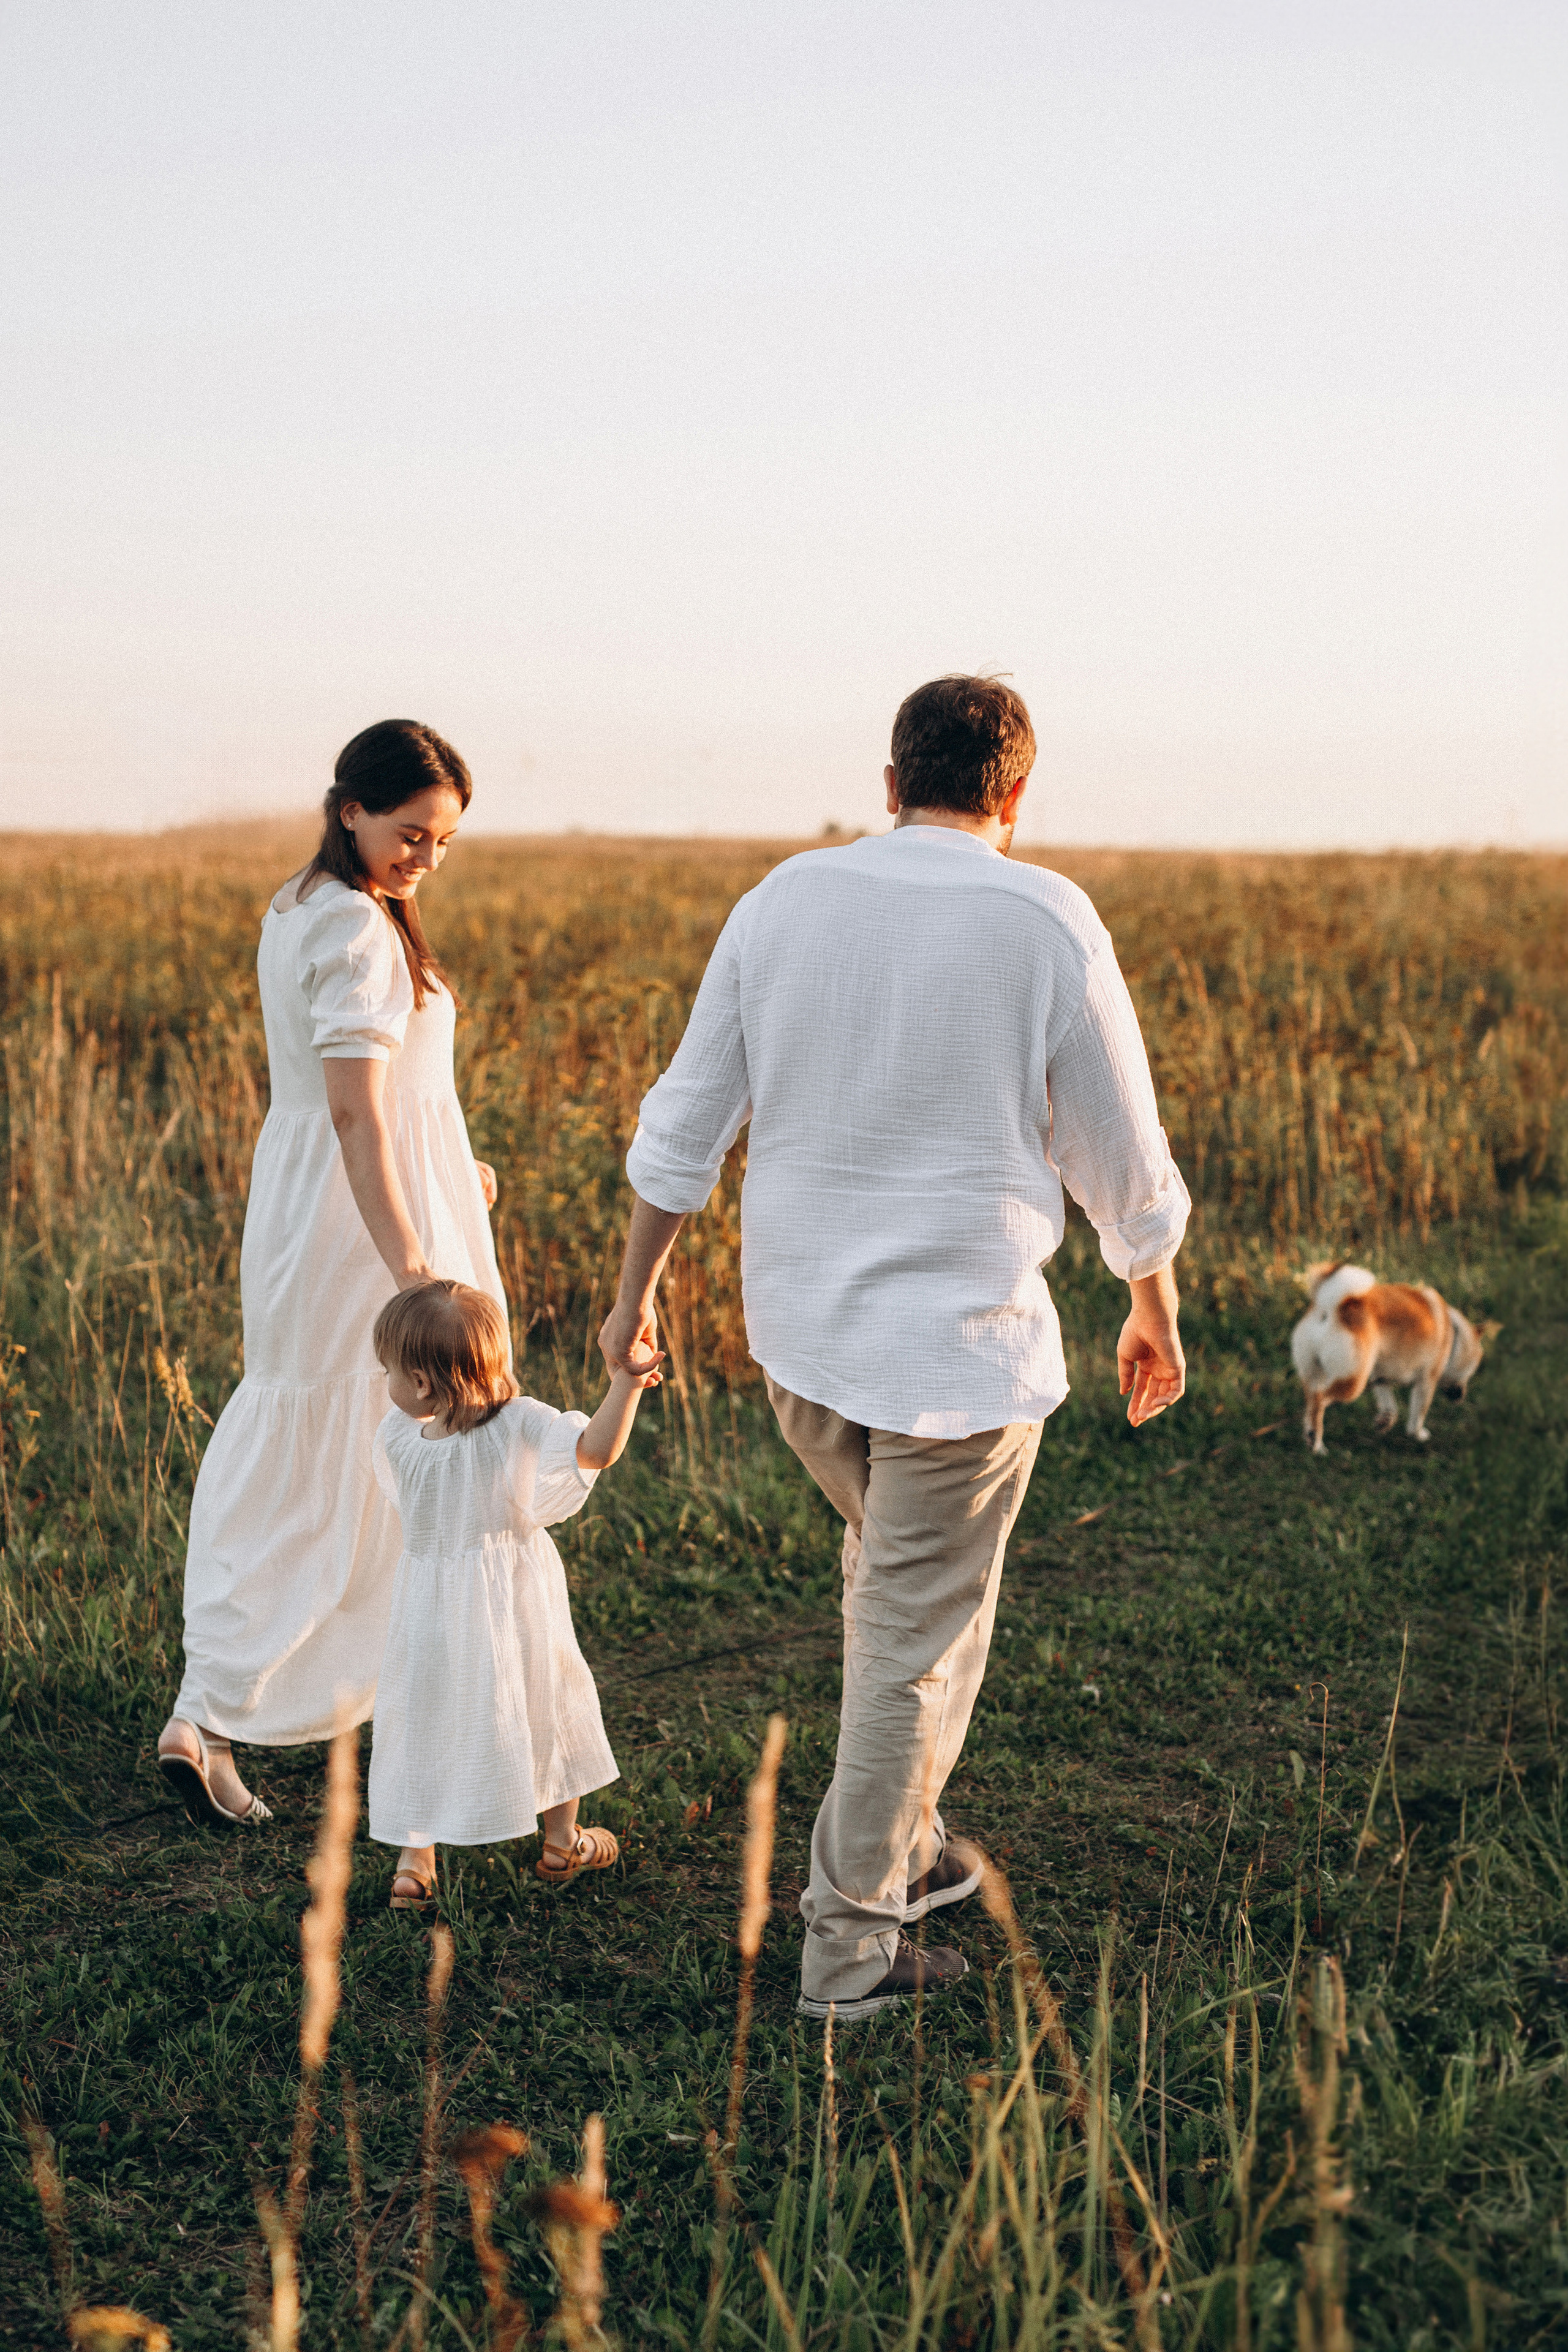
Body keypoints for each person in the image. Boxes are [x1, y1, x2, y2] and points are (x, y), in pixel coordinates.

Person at [600, 675, 1190, 2021]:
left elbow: (683, 1126)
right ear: (1015, 794)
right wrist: (1149, 1301)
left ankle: (910, 1849)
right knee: (912, 1648)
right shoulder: (1046, 917)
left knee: (903, 1598)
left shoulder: (781, 902)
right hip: (962, 1363)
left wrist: (635, 1294)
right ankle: (850, 1947)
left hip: (805, 1348)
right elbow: (1121, 1150)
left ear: (888, 783)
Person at [157, 720, 507, 1829]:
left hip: (327, 1200)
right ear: (350, 809)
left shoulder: (302, 903)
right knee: (352, 1453)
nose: (427, 859)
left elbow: (380, 1103)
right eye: (411, 833)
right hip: (359, 1230)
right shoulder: (355, 925)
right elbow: (357, 1113)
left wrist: (453, 1167)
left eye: (444, 842)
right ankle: (221, 1705)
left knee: (342, 1455)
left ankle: (243, 1704)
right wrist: (416, 1270)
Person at [368, 1279, 662, 1908]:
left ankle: (414, 1863)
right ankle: (561, 1841)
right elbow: (595, 1451)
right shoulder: (518, 1423)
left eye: (387, 1370)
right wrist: (627, 1385)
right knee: (544, 1699)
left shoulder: (397, 1438)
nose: (384, 1382)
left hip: (428, 1609)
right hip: (514, 1602)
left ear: (420, 1383)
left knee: (425, 1714)